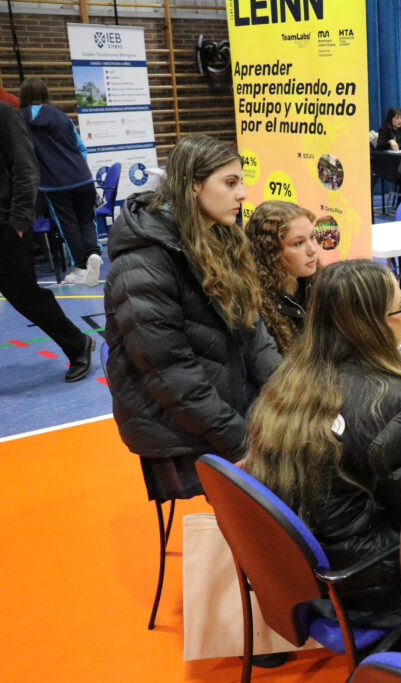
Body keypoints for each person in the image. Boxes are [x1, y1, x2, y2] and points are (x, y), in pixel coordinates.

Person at [244, 260, 401, 628]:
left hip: (303, 568)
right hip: (370, 582)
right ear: (372, 324)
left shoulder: (289, 378)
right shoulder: (395, 403)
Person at [103, 135, 281, 502]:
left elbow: (253, 334)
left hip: (224, 401)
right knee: (298, 481)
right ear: (194, 186)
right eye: (230, 183)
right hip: (176, 431)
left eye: (241, 182)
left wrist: (294, 396)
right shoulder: (142, 264)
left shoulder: (221, 238)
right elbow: (173, 378)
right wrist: (243, 442)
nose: (243, 194)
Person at [0, 101, 94, 382]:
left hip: (6, 227)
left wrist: (18, 223)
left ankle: (78, 345)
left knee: (26, 297)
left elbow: (26, 169)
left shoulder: (4, 115)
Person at [18, 78, 101, 286]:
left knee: (68, 225)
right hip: (83, 178)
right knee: (86, 220)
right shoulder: (62, 117)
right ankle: (93, 253)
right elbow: (82, 148)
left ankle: (81, 268)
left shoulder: (19, 120)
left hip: (54, 184)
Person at [245, 200, 320, 355]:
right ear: (271, 252)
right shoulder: (254, 304)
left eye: (312, 237)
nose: (312, 250)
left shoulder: (320, 283)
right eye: (298, 243)